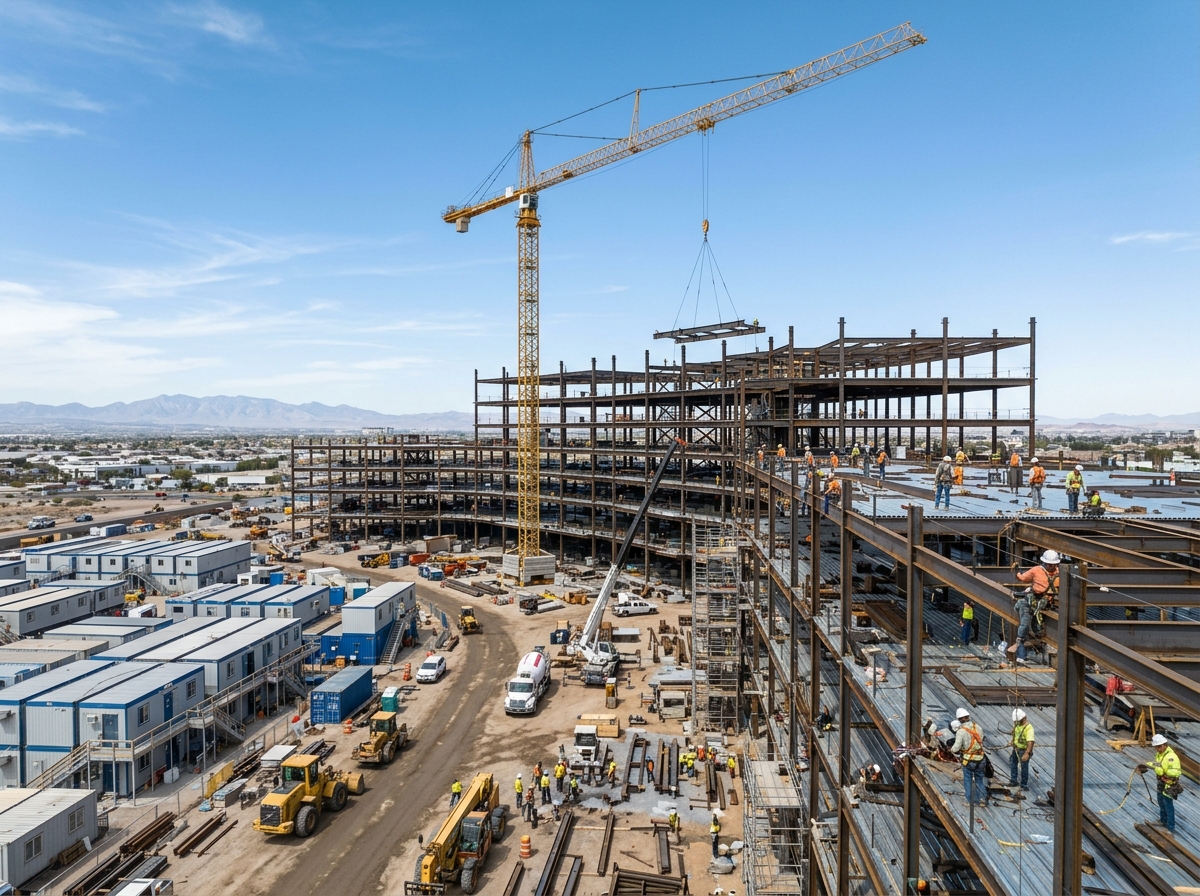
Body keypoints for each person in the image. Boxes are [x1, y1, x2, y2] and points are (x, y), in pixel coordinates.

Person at [1140, 734, 1182, 834]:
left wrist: (1162, 771)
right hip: (1161, 783)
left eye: (1159, 747)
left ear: (1165, 745)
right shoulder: (1160, 755)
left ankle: (1170, 828)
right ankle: (1163, 821)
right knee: (1161, 802)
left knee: (1168, 805)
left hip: (1169, 785)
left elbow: (1176, 772)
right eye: (1156, 747)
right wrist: (1147, 764)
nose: (1157, 749)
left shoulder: (1171, 757)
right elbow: (1157, 764)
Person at [951, 708, 987, 807]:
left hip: (968, 760)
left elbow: (956, 747)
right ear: (968, 717)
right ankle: (982, 799)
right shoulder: (978, 727)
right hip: (981, 759)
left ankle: (970, 801)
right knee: (979, 779)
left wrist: (952, 750)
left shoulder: (961, 732)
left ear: (959, 719)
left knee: (968, 779)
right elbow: (982, 739)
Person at [1009, 709, 1035, 789]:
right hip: (1016, 749)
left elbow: (1030, 742)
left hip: (1024, 750)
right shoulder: (1017, 725)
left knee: (1024, 767)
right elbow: (1014, 733)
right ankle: (1013, 780)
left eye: (1018, 720)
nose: (1017, 722)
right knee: (1013, 763)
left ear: (1023, 718)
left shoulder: (1029, 728)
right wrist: (1012, 741)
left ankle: (1024, 785)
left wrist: (1027, 753)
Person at [1008, 592, 1033, 661]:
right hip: (1031, 626)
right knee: (1021, 640)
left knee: (1020, 640)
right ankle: (1021, 656)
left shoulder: (1021, 602)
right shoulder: (1031, 601)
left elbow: (1015, 609)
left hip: (1024, 627)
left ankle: (1021, 656)